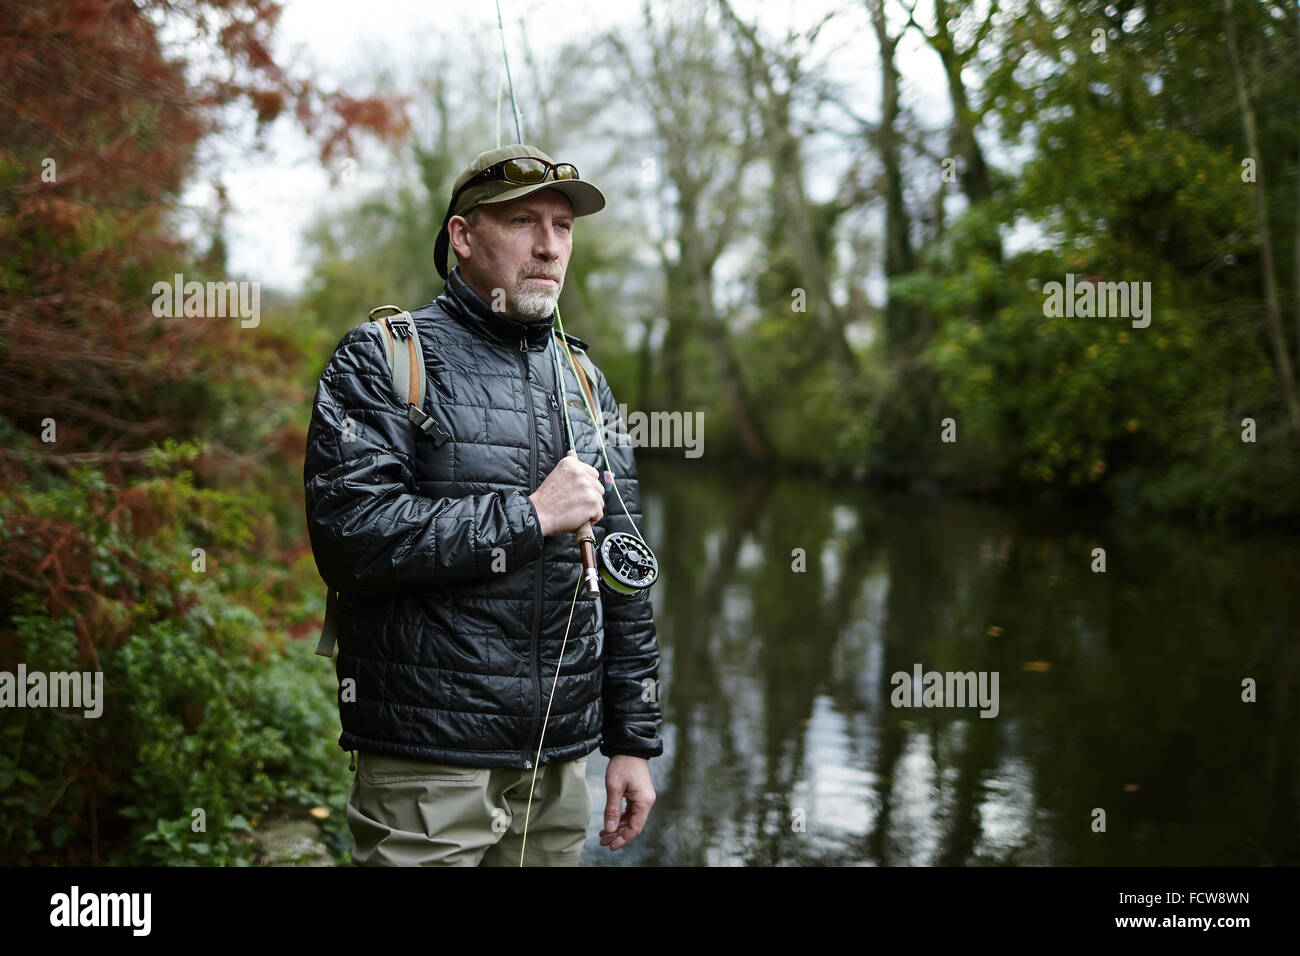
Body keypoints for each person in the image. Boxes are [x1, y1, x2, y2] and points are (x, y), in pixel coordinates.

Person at [302, 143, 662, 866]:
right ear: (462, 237)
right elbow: (352, 537)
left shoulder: (588, 380)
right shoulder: (382, 358)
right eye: (523, 221)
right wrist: (529, 516)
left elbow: (625, 573)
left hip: (559, 764)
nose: (548, 245)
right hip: (426, 761)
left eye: (563, 226)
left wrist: (631, 740)